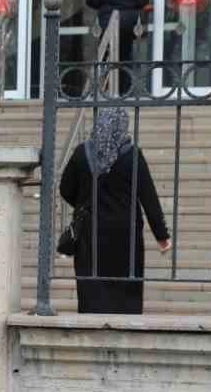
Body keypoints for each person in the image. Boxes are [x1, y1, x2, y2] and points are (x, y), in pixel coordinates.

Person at [59, 106, 171, 314]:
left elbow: (65, 188)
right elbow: (149, 197)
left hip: (90, 232)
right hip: (126, 234)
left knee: (92, 286)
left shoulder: (82, 153)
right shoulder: (132, 155)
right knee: (125, 288)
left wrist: (82, 204)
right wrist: (161, 235)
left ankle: (91, 323)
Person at [85, 0, 150, 95]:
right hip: (130, 23)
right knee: (125, 58)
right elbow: (143, 0)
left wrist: (105, 5)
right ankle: (124, 93)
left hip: (108, 23)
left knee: (105, 57)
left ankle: (100, 93)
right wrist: (130, 7)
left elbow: (92, 0)